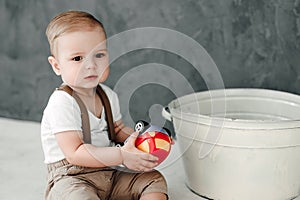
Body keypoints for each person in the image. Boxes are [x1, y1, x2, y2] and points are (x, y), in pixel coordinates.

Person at [41, 10, 168, 200]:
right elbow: (75, 153)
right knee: (78, 197)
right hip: (73, 177)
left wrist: (146, 138)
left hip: (109, 171)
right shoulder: (62, 102)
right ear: (57, 66)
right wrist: (122, 156)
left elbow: (117, 130)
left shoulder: (107, 95)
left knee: (153, 180)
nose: (90, 65)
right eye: (77, 58)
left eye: (99, 55)